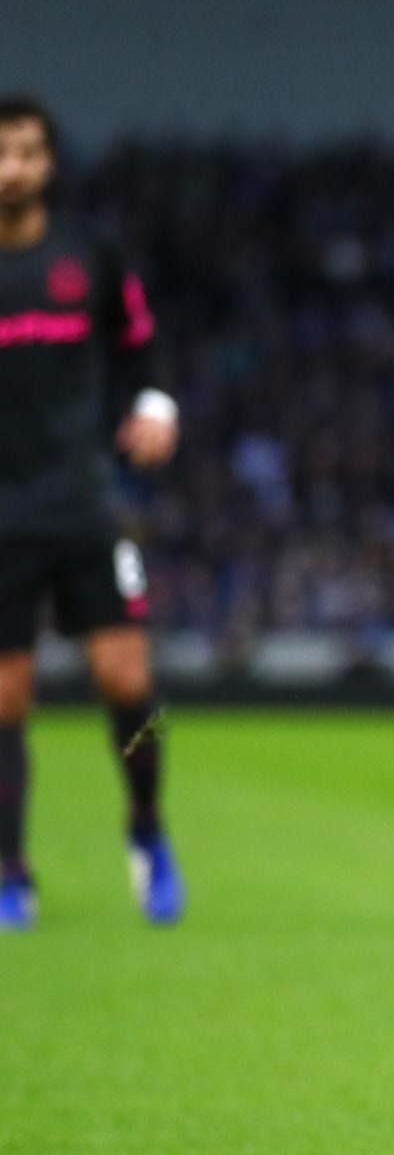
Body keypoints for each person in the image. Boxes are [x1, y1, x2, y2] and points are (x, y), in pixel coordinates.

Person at [0, 95, 183, 932]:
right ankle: (11, 870)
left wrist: (153, 402)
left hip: (83, 506)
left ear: (49, 163)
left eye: (28, 153)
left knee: (129, 683)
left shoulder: (91, 254)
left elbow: (139, 340)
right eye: (1, 153)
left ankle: (146, 826)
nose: (12, 169)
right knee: (4, 701)